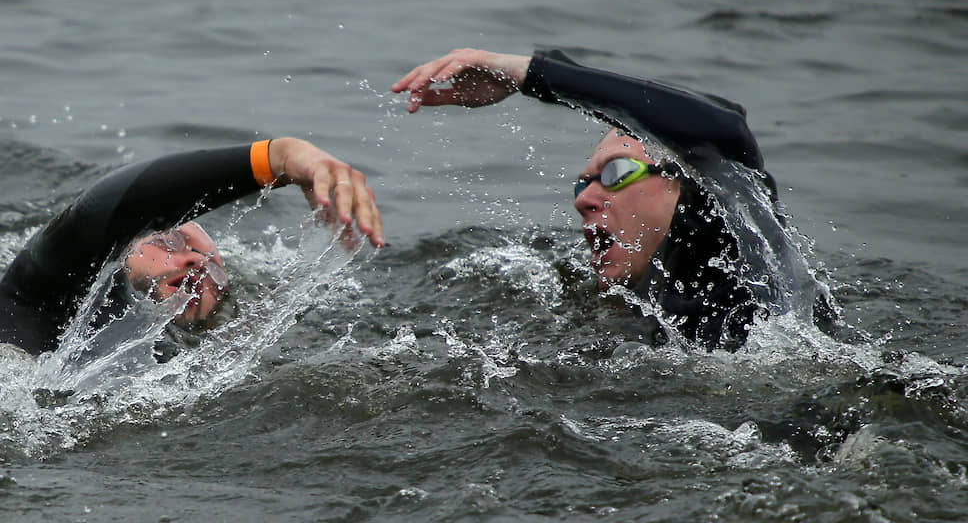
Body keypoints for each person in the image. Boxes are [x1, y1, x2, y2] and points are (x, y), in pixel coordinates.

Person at [393, 48, 827, 351]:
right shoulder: (637, 314)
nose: (585, 201)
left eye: (616, 172)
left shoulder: (738, 245)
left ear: (692, 181)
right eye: (582, 185)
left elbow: (721, 126)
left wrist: (530, 75)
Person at [0, 137, 384, 358]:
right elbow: (103, 210)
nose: (194, 260)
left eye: (210, 259)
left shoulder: (201, 360)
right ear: (119, 252)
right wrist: (278, 158)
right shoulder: (45, 293)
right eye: (170, 242)